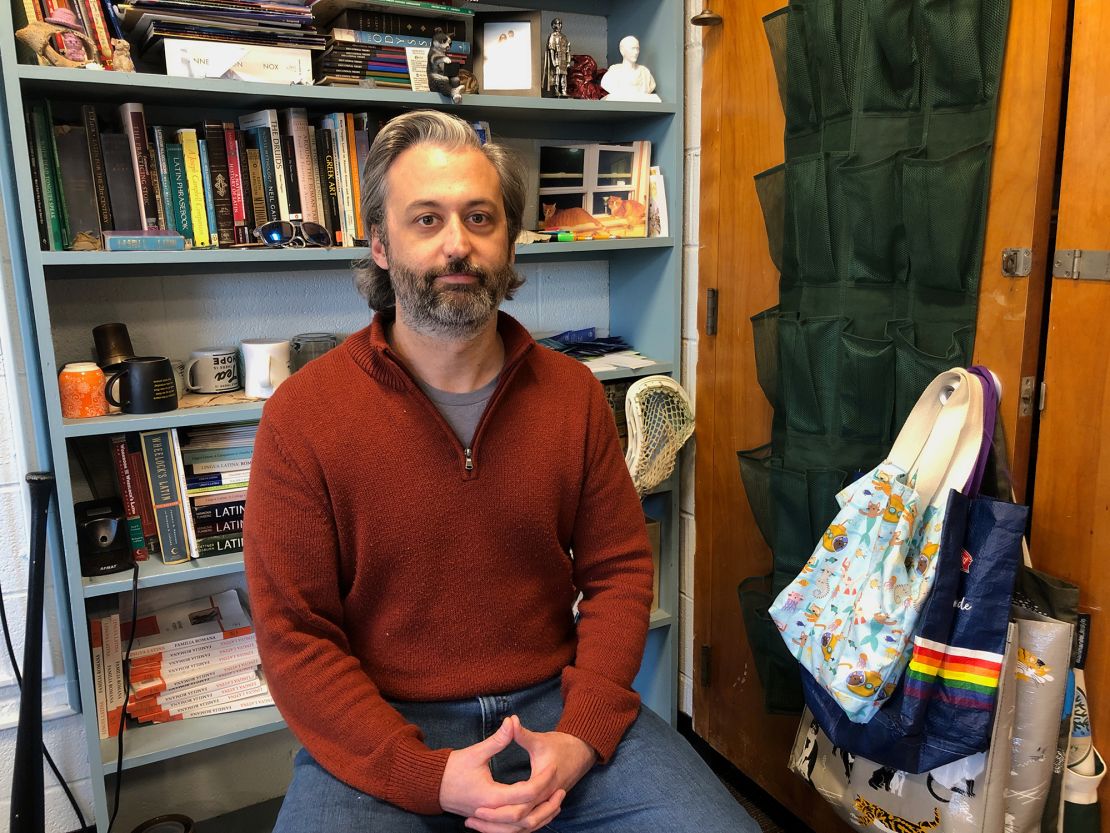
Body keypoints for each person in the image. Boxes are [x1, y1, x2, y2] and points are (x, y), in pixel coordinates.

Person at [244, 109, 758, 833]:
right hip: (384, 724)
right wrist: (426, 772)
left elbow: (618, 573)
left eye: (479, 217)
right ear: (381, 245)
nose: (457, 244)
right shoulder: (303, 416)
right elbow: (295, 636)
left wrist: (582, 733)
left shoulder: (573, 395)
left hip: (554, 707)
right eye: (426, 219)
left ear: (509, 241)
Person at [600, 35, 660, 101]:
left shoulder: (645, 72)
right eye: (633, 48)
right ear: (622, 51)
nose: (636, 52)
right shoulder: (614, 72)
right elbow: (606, 84)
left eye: (637, 48)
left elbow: (651, 86)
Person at [543, 18, 572, 98]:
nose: (558, 25)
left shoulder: (564, 37)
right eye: (557, 24)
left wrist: (568, 61)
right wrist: (554, 62)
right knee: (557, 75)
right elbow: (551, 50)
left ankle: (563, 90)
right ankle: (556, 91)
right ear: (553, 25)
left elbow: (568, 51)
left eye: (560, 24)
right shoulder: (552, 36)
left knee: (564, 76)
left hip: (564, 59)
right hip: (557, 58)